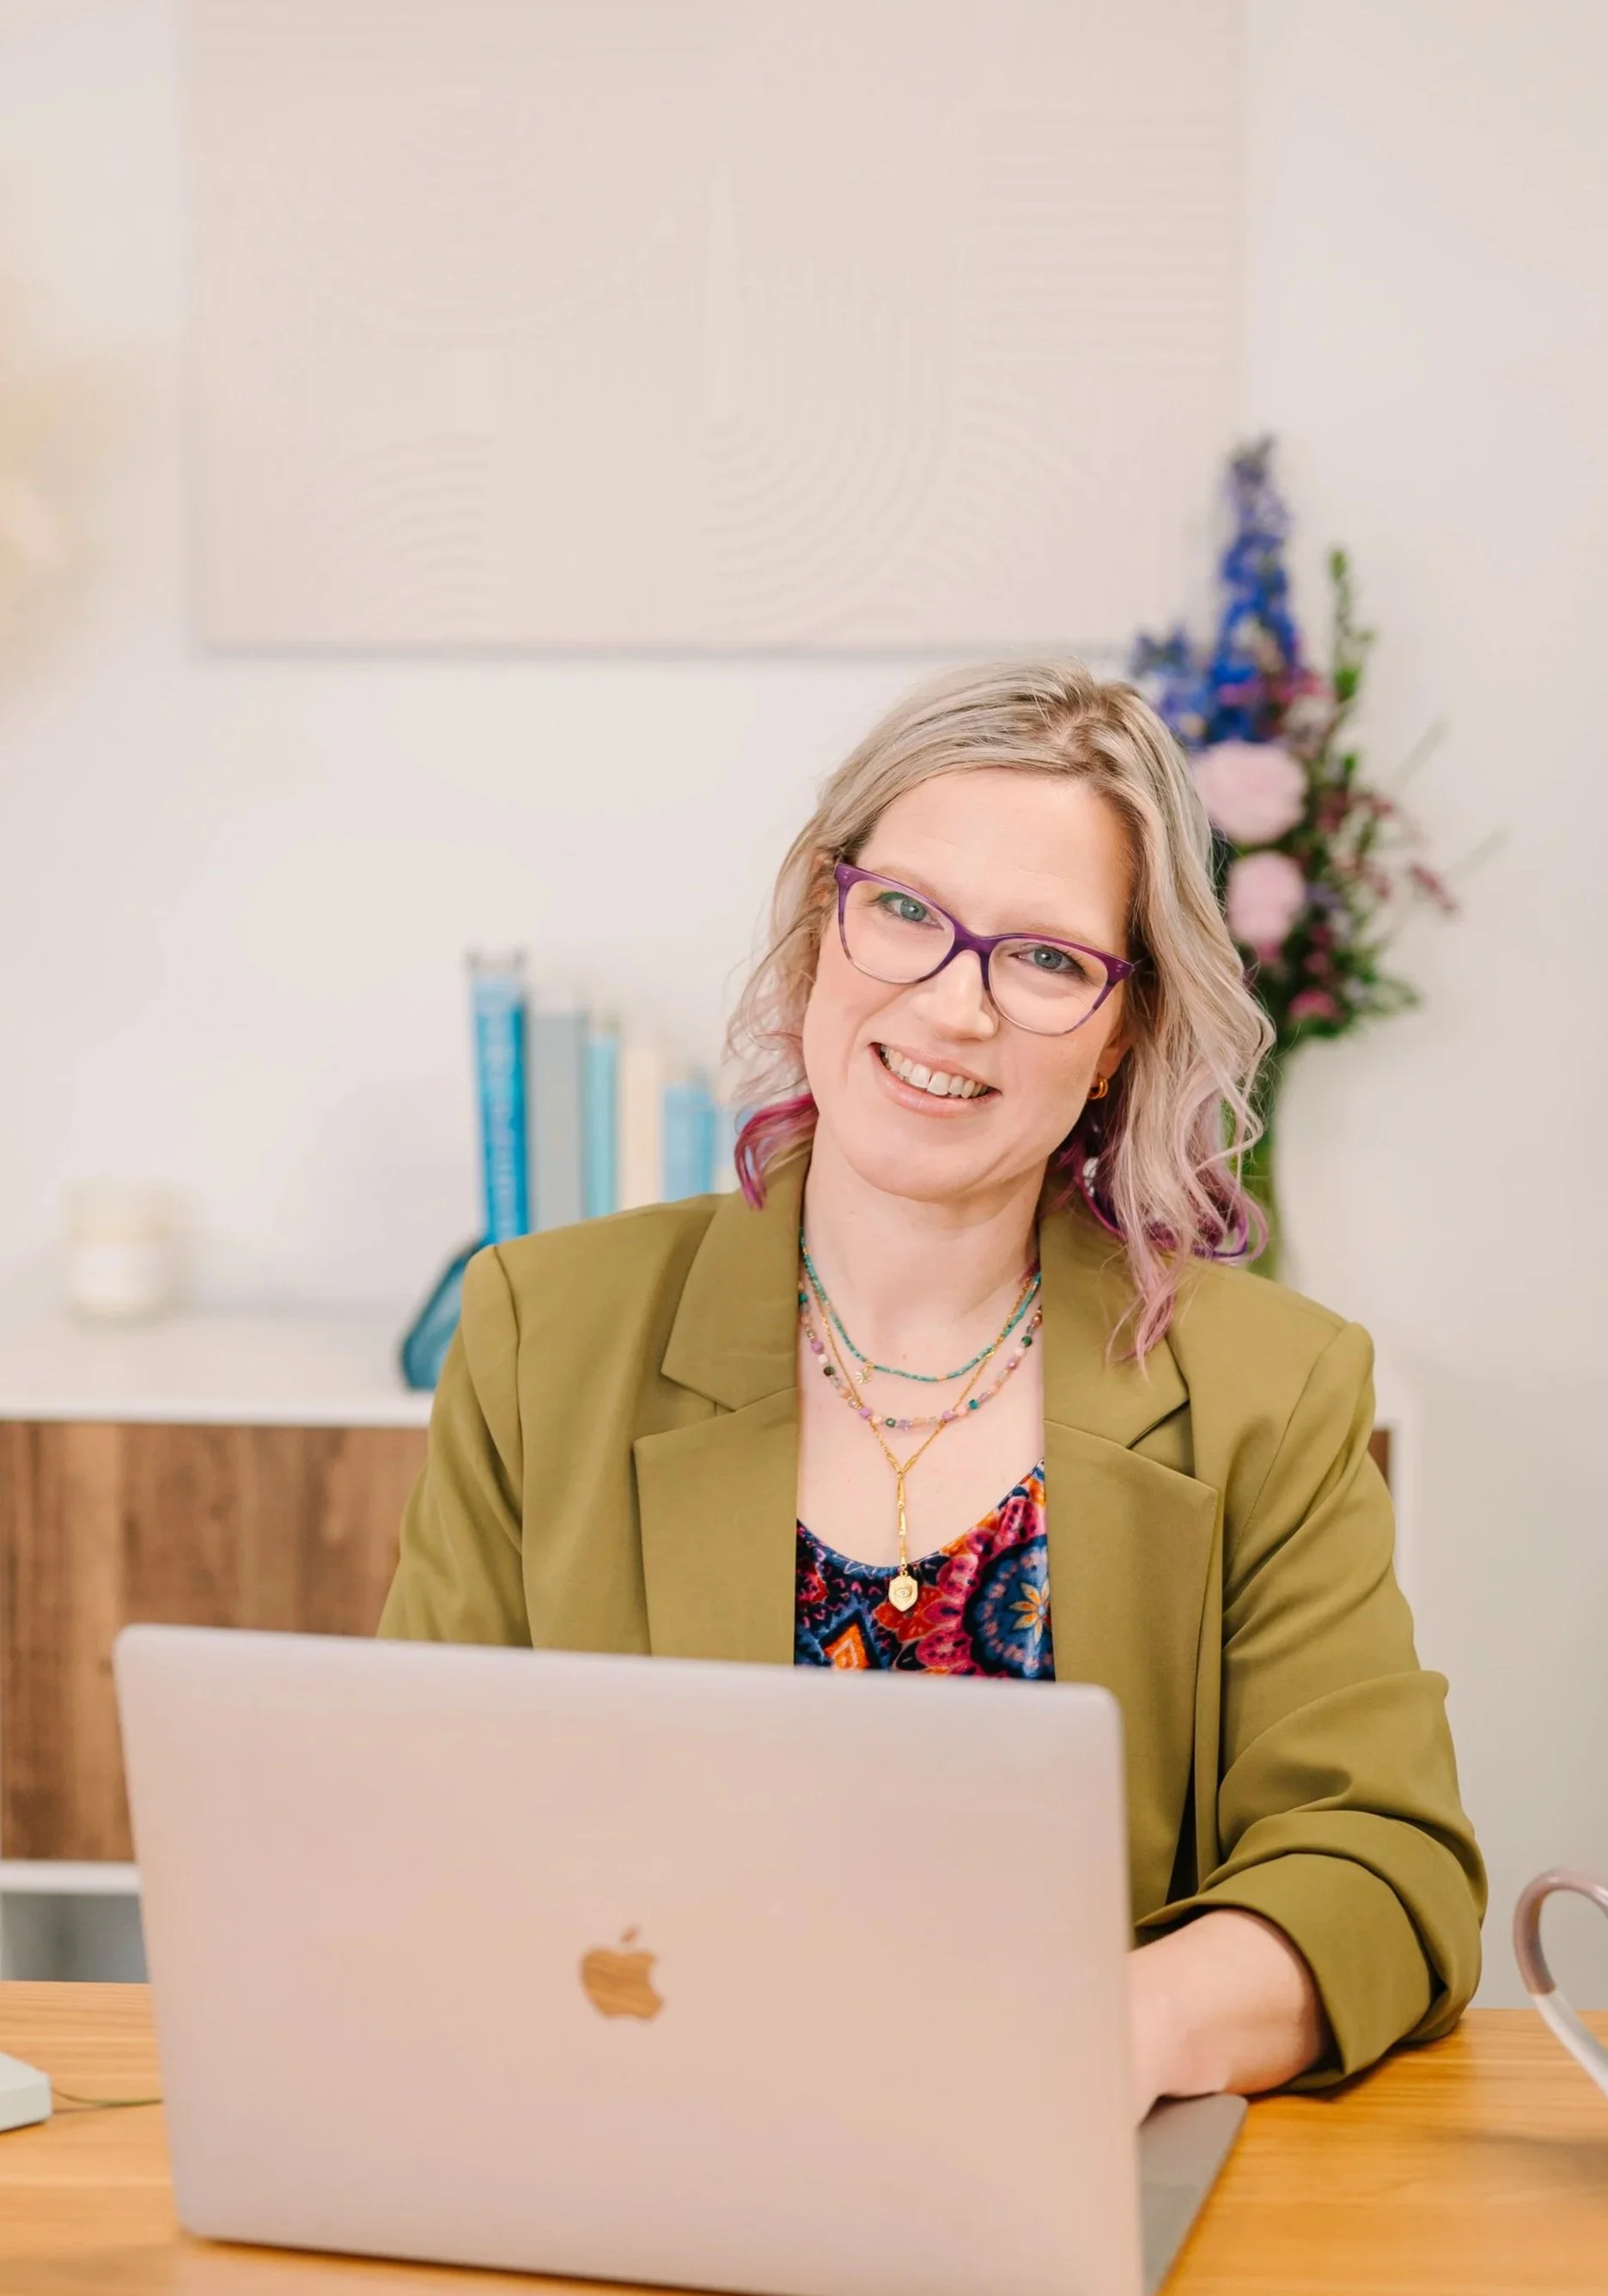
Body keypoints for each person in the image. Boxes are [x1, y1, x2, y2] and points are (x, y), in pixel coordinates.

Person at [382, 661, 1484, 2117]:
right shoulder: (544, 1328)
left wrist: (1109, 2036)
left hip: (1055, 2162)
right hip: (632, 2138)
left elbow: (1385, 1869)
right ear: (817, 938)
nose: (954, 1005)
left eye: (1044, 960)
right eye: (905, 912)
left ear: (1122, 1037)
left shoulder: (1272, 1387)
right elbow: (409, 1818)